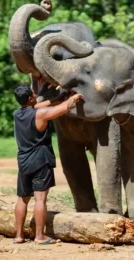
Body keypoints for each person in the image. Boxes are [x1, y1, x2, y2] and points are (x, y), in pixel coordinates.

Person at [12, 83, 83, 245]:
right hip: (40, 161)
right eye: (33, 95)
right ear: (30, 98)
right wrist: (73, 98)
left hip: (23, 161)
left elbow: (38, 106)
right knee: (39, 200)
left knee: (22, 199)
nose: (36, 96)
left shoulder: (18, 114)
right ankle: (39, 236)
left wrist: (56, 99)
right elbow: (63, 109)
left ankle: (18, 235)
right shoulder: (40, 115)